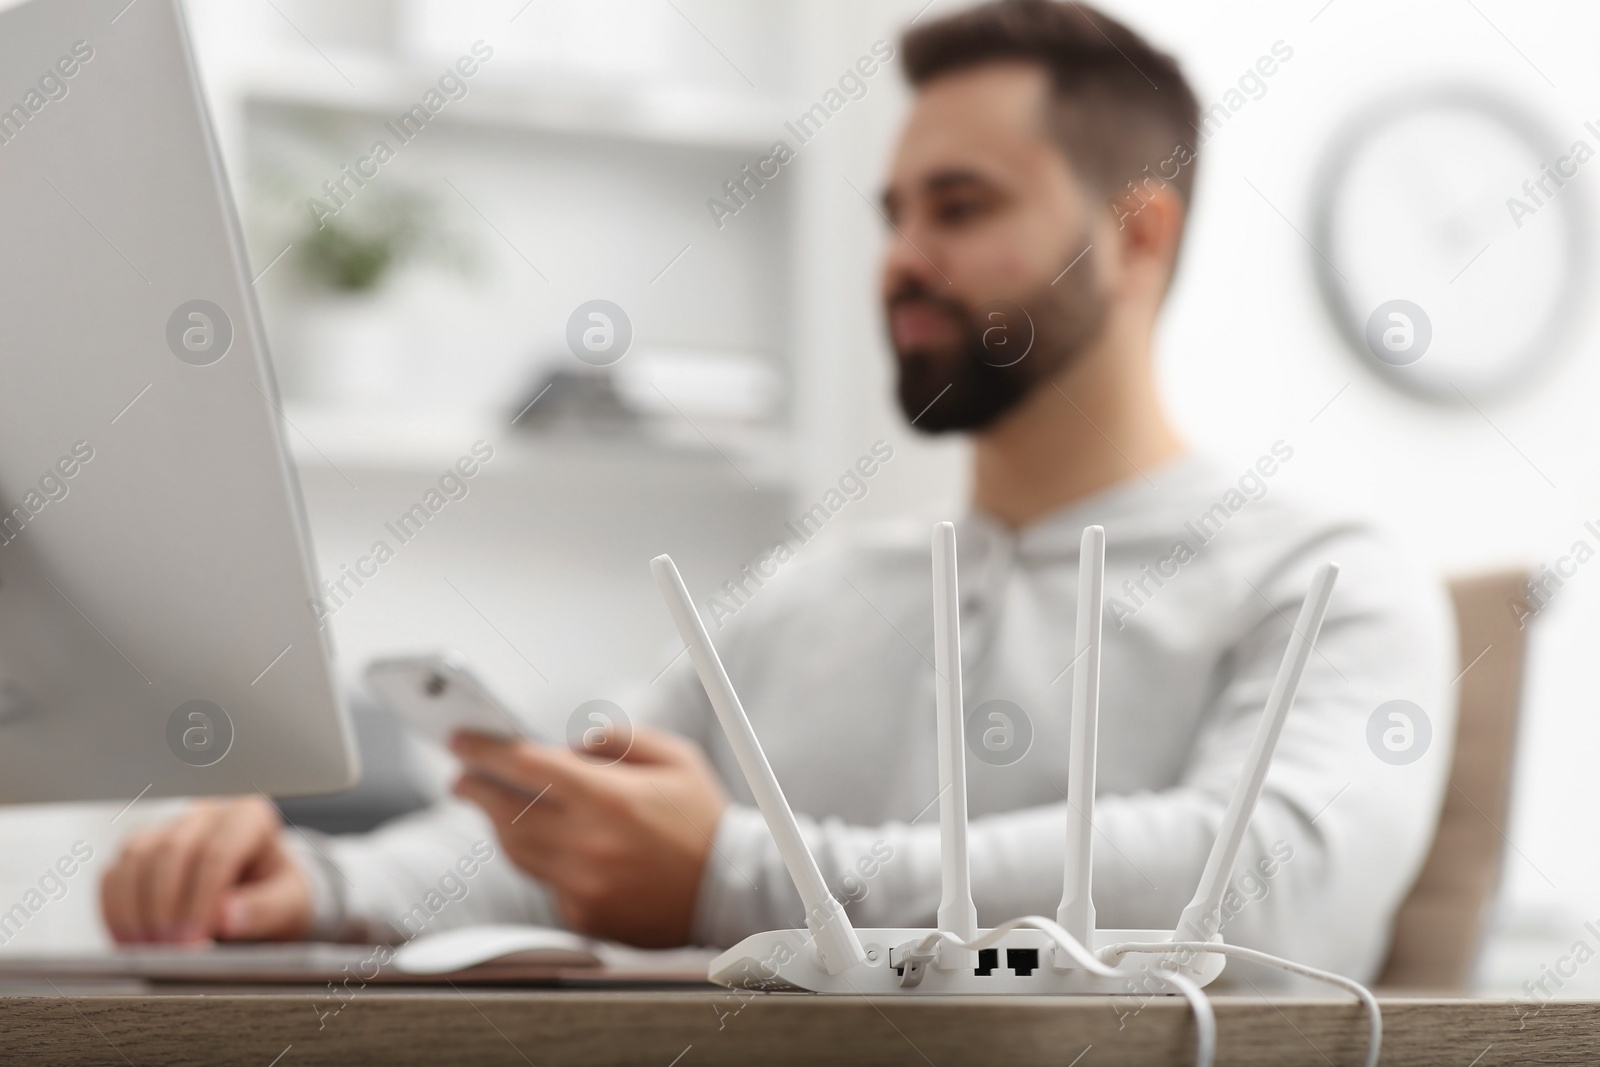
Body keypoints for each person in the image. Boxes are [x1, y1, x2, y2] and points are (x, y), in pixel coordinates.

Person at [99, 0, 1455, 982]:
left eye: (962, 206)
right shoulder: (815, 593)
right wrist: (315, 886)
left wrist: (735, 878)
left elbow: (1272, 889)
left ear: (1136, 231)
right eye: (892, 213)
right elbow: (562, 837)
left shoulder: (1325, 579)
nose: (903, 259)